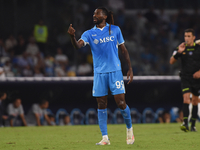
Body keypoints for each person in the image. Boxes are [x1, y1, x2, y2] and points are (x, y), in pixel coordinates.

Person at [68, 7, 134, 145]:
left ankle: (129, 130)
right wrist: (72, 37)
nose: (94, 15)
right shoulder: (89, 33)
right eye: (93, 13)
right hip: (99, 73)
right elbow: (78, 46)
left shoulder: (115, 30)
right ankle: (105, 138)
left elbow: (123, 50)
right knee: (101, 104)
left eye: (97, 13)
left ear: (104, 16)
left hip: (115, 72)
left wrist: (130, 68)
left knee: (121, 103)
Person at [170, 28, 200, 132]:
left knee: (195, 102)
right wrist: (179, 52)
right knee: (186, 99)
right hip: (185, 77)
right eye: (185, 36)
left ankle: (193, 125)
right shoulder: (181, 47)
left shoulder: (198, 48)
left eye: (188, 36)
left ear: (193, 37)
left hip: (197, 79)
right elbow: (171, 61)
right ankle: (185, 123)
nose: (186, 38)